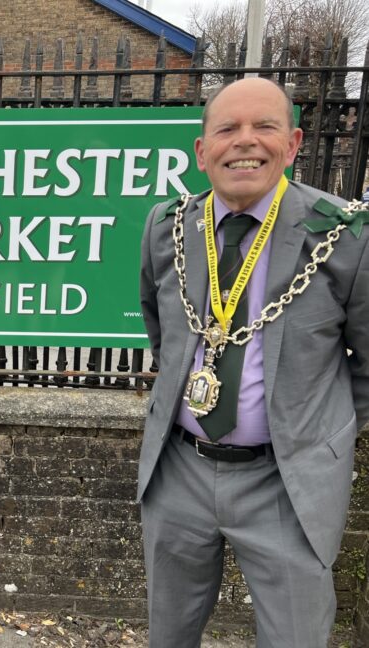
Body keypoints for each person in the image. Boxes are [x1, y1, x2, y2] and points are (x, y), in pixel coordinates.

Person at [138, 77, 369, 647]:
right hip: (179, 472)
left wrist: (320, 435)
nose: (246, 142)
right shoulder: (166, 228)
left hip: (287, 481)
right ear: (202, 150)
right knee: (168, 634)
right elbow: (162, 333)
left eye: (264, 127)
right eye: (227, 129)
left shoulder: (344, 234)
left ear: (291, 144)